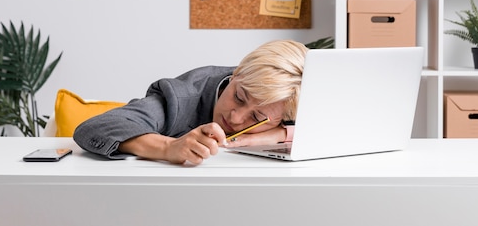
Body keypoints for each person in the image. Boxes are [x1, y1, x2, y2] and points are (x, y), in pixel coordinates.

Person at [73, 39, 307, 165]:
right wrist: (168, 147)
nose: (235, 118)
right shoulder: (181, 98)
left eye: (256, 118)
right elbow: (94, 128)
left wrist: (278, 134)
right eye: (238, 96)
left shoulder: (292, 102)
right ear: (237, 73)